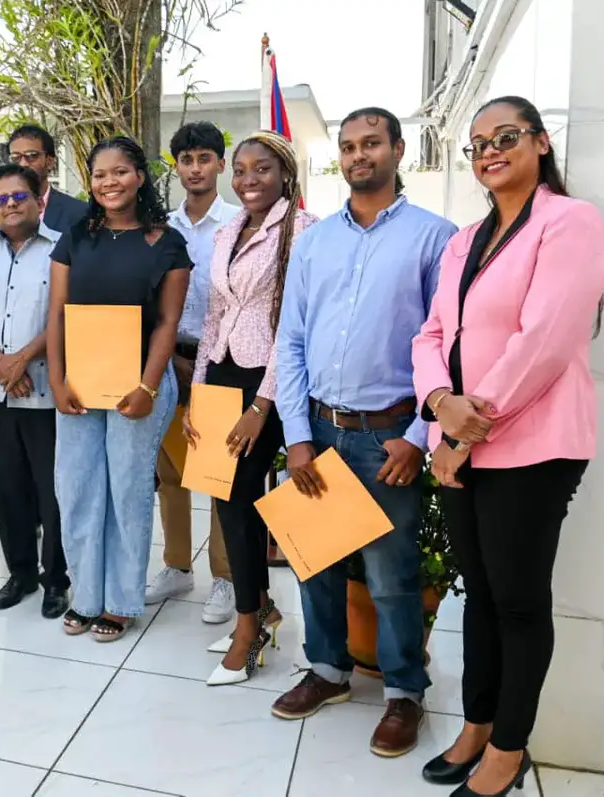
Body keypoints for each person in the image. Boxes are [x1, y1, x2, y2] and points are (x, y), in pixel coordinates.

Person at [413, 96, 604, 797]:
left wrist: (465, 430)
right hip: (458, 440)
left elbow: (546, 341)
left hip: (533, 446)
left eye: (506, 136)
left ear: (541, 142)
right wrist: (440, 404)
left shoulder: (569, 223)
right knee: (480, 595)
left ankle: (507, 748)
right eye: (478, 143)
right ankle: (476, 722)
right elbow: (431, 335)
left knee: (519, 602)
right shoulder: (465, 240)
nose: (490, 150)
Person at [271, 107, 457, 757]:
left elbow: (451, 347)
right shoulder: (316, 241)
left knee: (391, 574)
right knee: (314, 559)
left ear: (398, 149)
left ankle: (404, 691)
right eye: (348, 146)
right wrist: (296, 435)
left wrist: (418, 434)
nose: (358, 155)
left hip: (389, 439)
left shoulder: (436, 238)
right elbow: (290, 341)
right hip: (321, 427)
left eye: (371, 143)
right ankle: (327, 670)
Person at [186, 130, 318, 684]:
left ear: (284, 173)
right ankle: (258, 607)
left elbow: (294, 325)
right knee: (225, 500)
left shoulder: (303, 230)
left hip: (267, 382)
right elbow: (216, 312)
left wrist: (262, 405)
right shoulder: (227, 231)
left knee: (242, 499)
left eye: (260, 169)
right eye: (240, 170)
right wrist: (198, 389)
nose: (247, 180)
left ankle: (249, 624)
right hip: (220, 370)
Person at [47, 136, 190, 642]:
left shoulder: (166, 242)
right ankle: (85, 596)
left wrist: (148, 387)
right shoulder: (74, 237)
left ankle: (121, 600)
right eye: (100, 174)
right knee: (79, 489)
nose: (110, 182)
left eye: (121, 171)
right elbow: (57, 314)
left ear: (140, 177)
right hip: (80, 386)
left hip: (139, 387)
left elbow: (168, 323)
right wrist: (57, 378)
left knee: (127, 494)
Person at [0, 163, 69, 619]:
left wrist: (21, 359)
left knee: (52, 489)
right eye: (1, 199)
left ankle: (55, 579)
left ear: (39, 200)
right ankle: (20, 572)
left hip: (46, 390)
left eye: (18, 197)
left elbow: (63, 316)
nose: (9, 206)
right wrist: (2, 365)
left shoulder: (61, 248)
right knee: (8, 488)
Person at [145, 121, 239, 624]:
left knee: (218, 474)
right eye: (186, 160)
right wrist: (168, 361)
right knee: (171, 472)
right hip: (167, 359)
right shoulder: (161, 225)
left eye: (205, 158)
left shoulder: (240, 221)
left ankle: (224, 575)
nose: (195, 168)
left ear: (220, 165)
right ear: (176, 167)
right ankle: (177, 566)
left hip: (221, 360)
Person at [0, 123, 88, 241]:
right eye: (16, 157)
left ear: (50, 162)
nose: (23, 163)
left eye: (32, 156)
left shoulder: (78, 213)